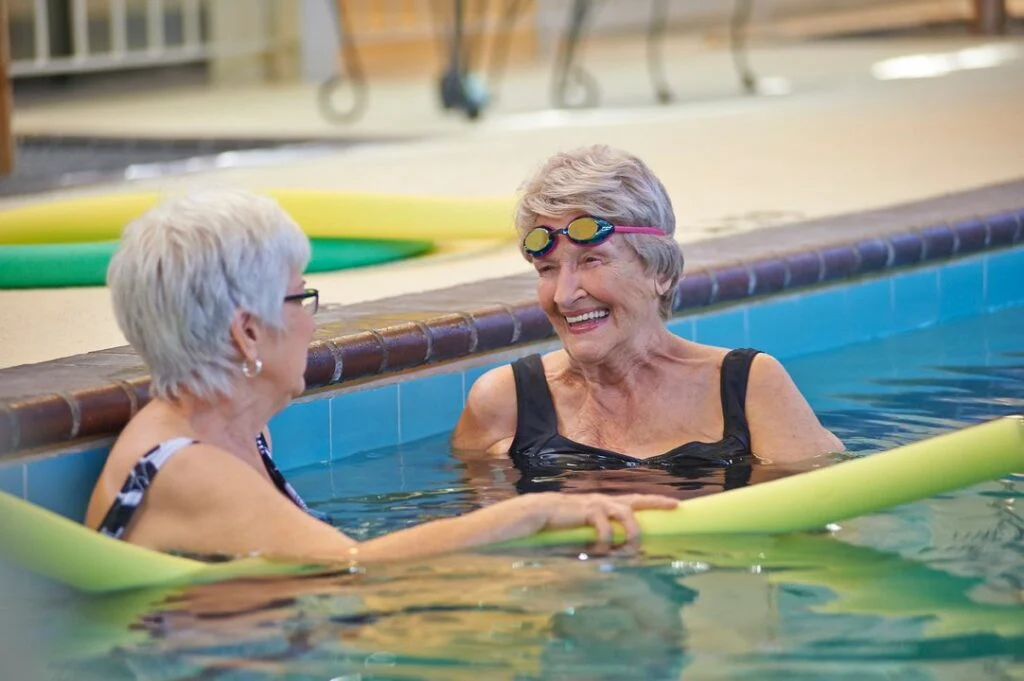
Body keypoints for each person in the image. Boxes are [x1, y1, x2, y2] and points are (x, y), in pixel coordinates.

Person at [84, 189, 677, 563]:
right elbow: (352, 567)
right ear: (246, 332)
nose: (312, 326)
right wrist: (528, 512)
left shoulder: (233, 431)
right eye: (301, 300)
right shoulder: (187, 466)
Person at [452, 145, 843, 495]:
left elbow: (823, 515)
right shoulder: (505, 403)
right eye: (547, 269)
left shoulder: (749, 387)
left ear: (662, 272)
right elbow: (476, 545)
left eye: (591, 261)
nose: (564, 294)